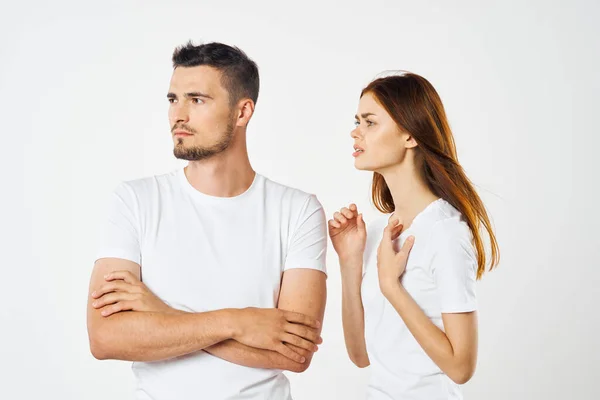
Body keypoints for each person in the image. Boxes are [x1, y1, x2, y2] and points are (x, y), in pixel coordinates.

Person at [86, 42, 327, 400]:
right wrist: (237, 321)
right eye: (173, 100)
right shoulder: (135, 200)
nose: (178, 115)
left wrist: (161, 314)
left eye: (196, 100)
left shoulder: (298, 210)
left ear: (242, 111)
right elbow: (105, 338)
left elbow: (295, 353)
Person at [329, 72, 499, 400]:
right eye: (357, 121)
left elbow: (461, 368)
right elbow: (361, 354)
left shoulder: (445, 232)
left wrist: (392, 286)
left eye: (369, 122)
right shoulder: (378, 232)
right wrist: (350, 261)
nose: (355, 132)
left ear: (409, 134)